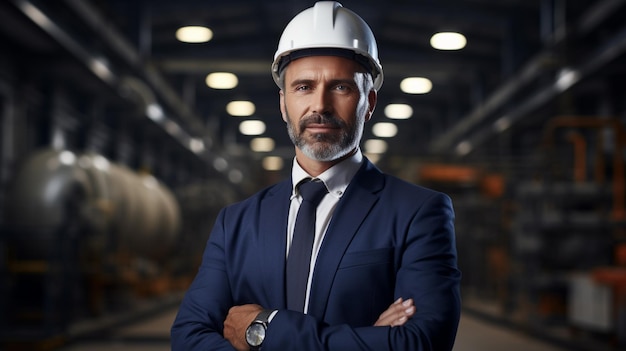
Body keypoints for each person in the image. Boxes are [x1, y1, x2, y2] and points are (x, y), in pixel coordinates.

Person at [171, 2, 461, 350]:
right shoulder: (236, 223)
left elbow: (420, 343)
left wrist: (264, 330)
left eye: (340, 87)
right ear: (283, 103)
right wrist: (369, 339)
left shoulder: (419, 213)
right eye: (303, 87)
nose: (320, 106)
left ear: (368, 102)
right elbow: (188, 339)